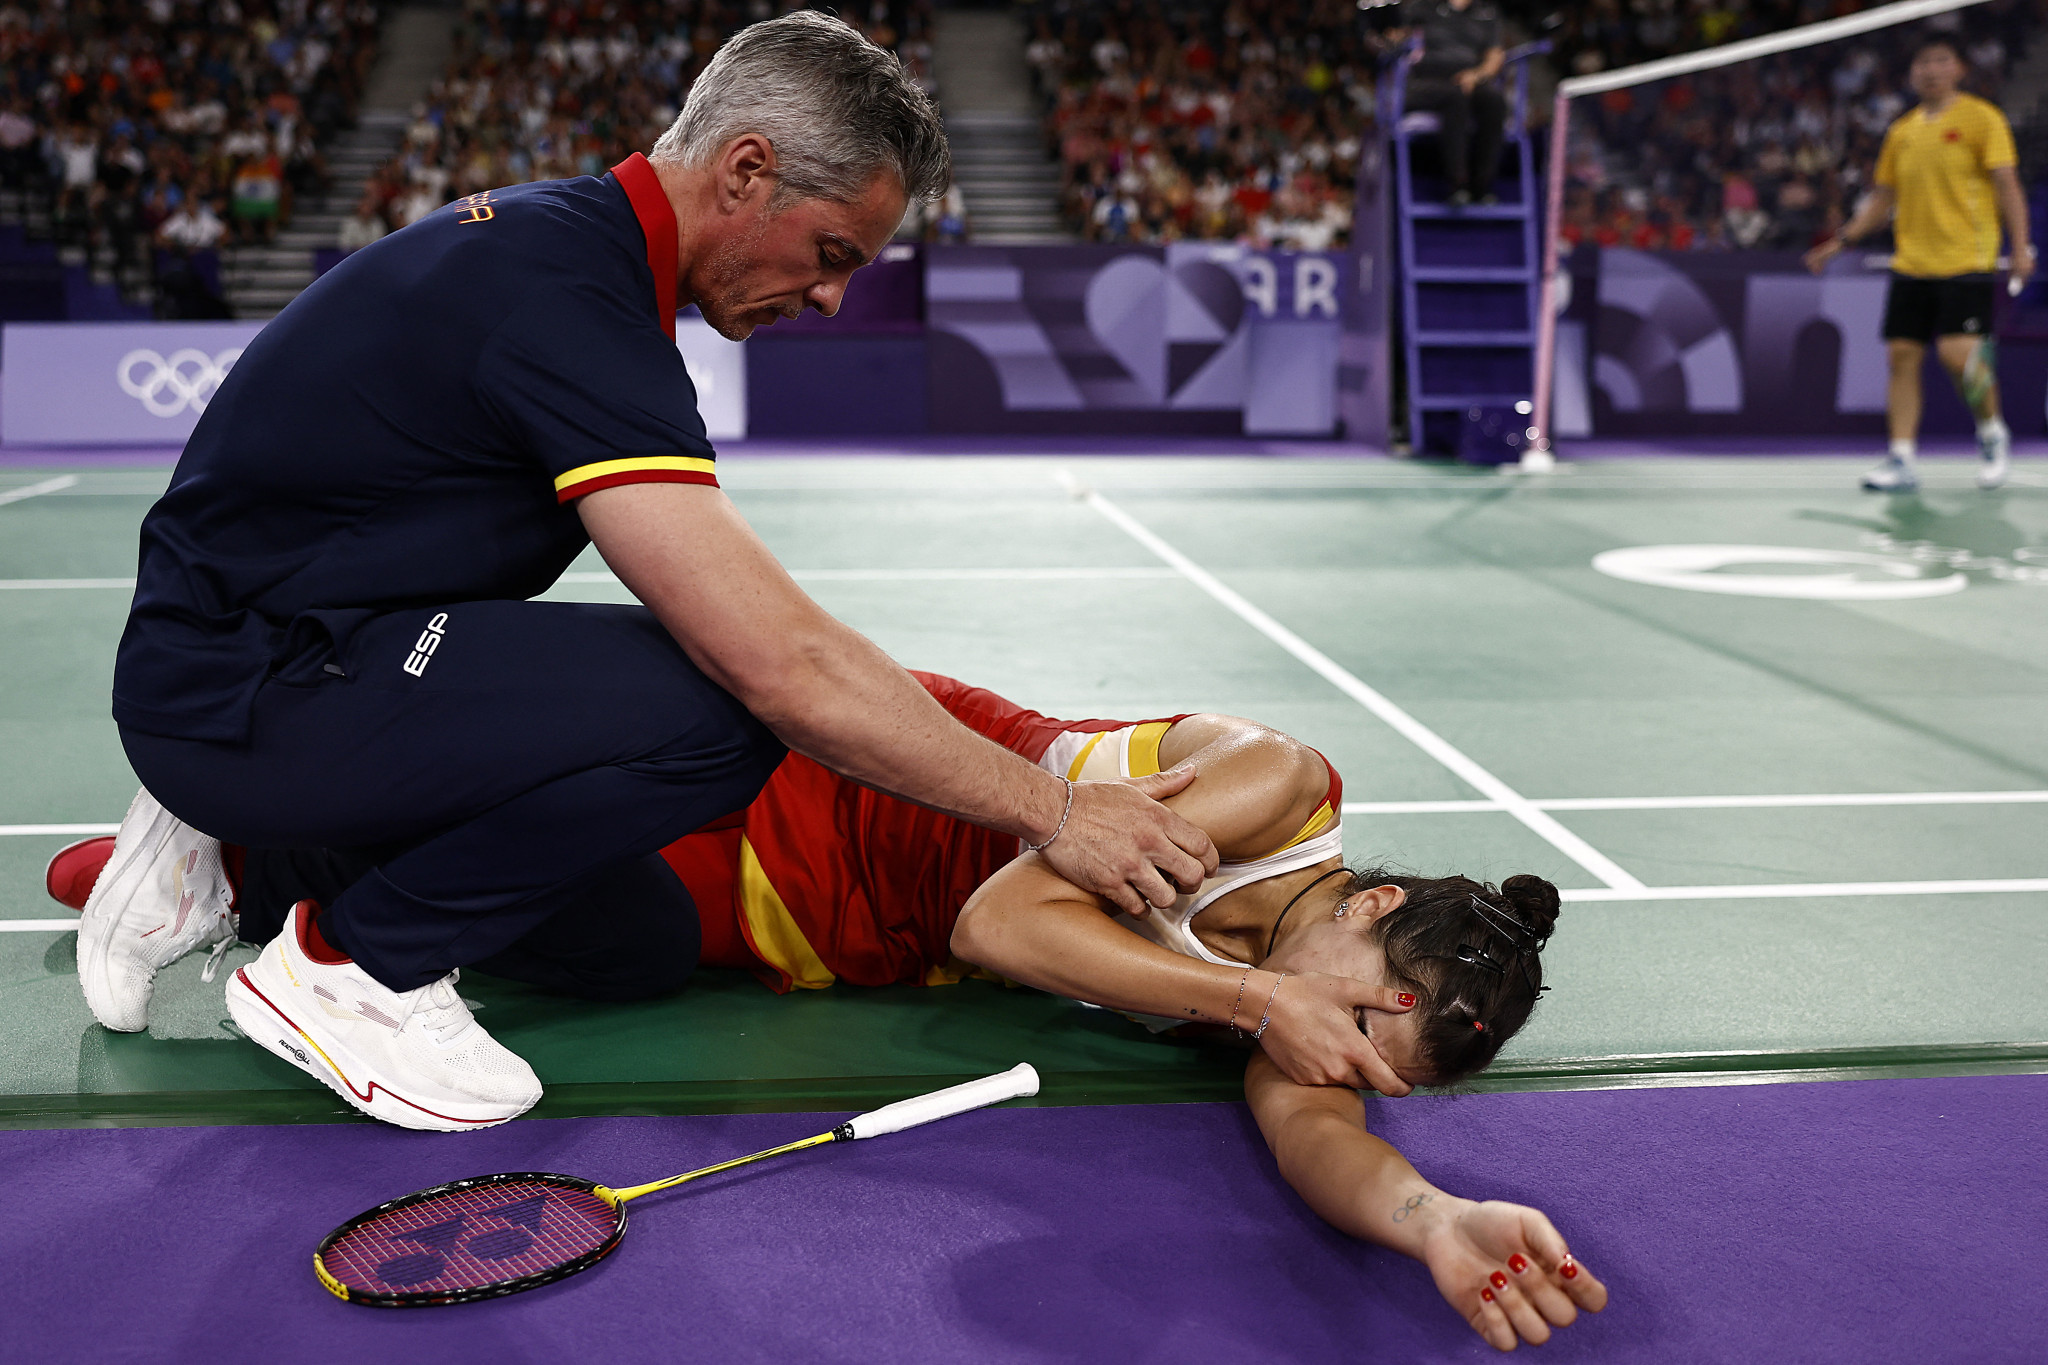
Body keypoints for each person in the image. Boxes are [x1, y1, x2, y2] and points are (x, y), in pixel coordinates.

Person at [77, 12, 1216, 1133]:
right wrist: (1052, 808)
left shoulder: (573, 254)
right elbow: (779, 662)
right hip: (249, 684)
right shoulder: (568, 305)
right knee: (721, 712)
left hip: (297, 650)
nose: (830, 299)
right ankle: (349, 970)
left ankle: (232, 859)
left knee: (633, 946)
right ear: (746, 171)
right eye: (831, 256)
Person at [48, 673, 1609, 1352]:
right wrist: (1256, 990)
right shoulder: (1277, 784)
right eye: (1351, 1022)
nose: (1317, 1052)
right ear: (1377, 917)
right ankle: (217, 825)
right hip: (833, 791)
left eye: (1357, 1062)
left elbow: (1317, 1135)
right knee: (535, 832)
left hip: (817, 938)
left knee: (610, 946)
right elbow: (1008, 916)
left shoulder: (1295, 1018)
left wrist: (1428, 1216)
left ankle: (218, 854)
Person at [1805, 37, 2034, 493]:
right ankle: (1901, 457)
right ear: (1912, 75)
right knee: (1901, 358)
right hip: (1911, 263)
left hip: (1966, 258)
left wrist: (2022, 247)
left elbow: (2007, 186)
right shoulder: (1902, 131)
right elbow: (1882, 199)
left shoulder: (1981, 118)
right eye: (1922, 63)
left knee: (1959, 357)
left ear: (1959, 69)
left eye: (1941, 61)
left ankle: (1992, 433)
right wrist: (1841, 241)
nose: (1931, 70)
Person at [1393, 0, 1507, 208]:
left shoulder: (1486, 12)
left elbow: (1494, 56)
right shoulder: (1423, 7)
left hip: (1468, 78)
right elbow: (1397, 35)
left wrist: (1476, 75)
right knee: (1455, 97)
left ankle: (1482, 185)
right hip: (1426, 82)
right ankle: (1458, 184)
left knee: (1494, 101)